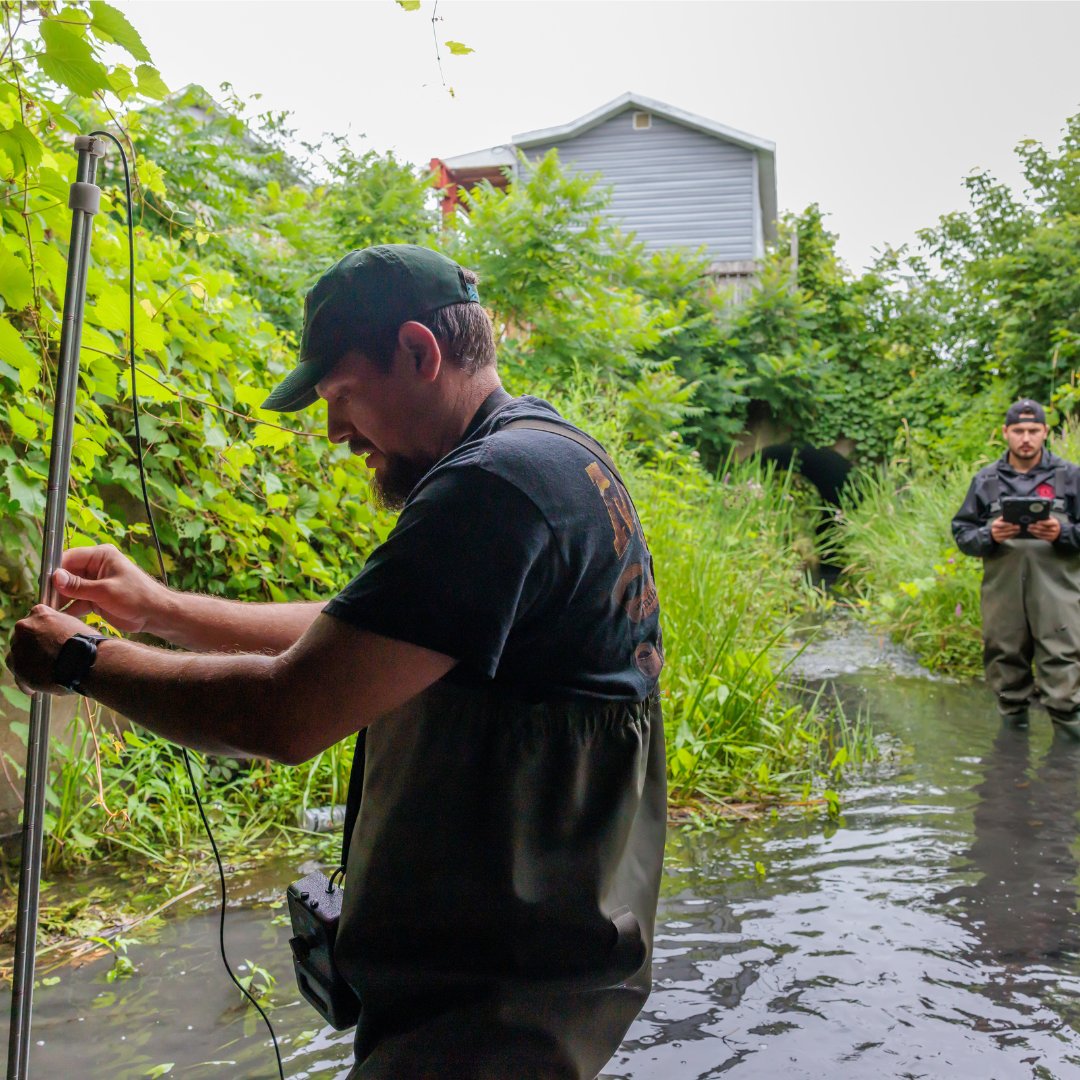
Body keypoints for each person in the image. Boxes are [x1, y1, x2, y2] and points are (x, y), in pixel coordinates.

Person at [7, 244, 667, 1079]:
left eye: (342, 395)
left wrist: (81, 661)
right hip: (526, 984)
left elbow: (284, 714)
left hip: (491, 1011)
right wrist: (161, 611)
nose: (335, 431)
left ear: (419, 353)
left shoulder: (496, 487)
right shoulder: (549, 454)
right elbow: (368, 635)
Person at [951, 398, 1080, 733]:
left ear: (1045, 432)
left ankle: (1068, 746)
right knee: (1004, 658)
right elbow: (963, 534)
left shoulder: (1070, 477)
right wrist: (989, 534)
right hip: (1003, 595)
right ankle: (1011, 745)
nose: (1026, 438)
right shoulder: (986, 480)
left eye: (1033, 430)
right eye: (1019, 430)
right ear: (1005, 432)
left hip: (1058, 595)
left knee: (1062, 661)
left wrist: (1062, 533)